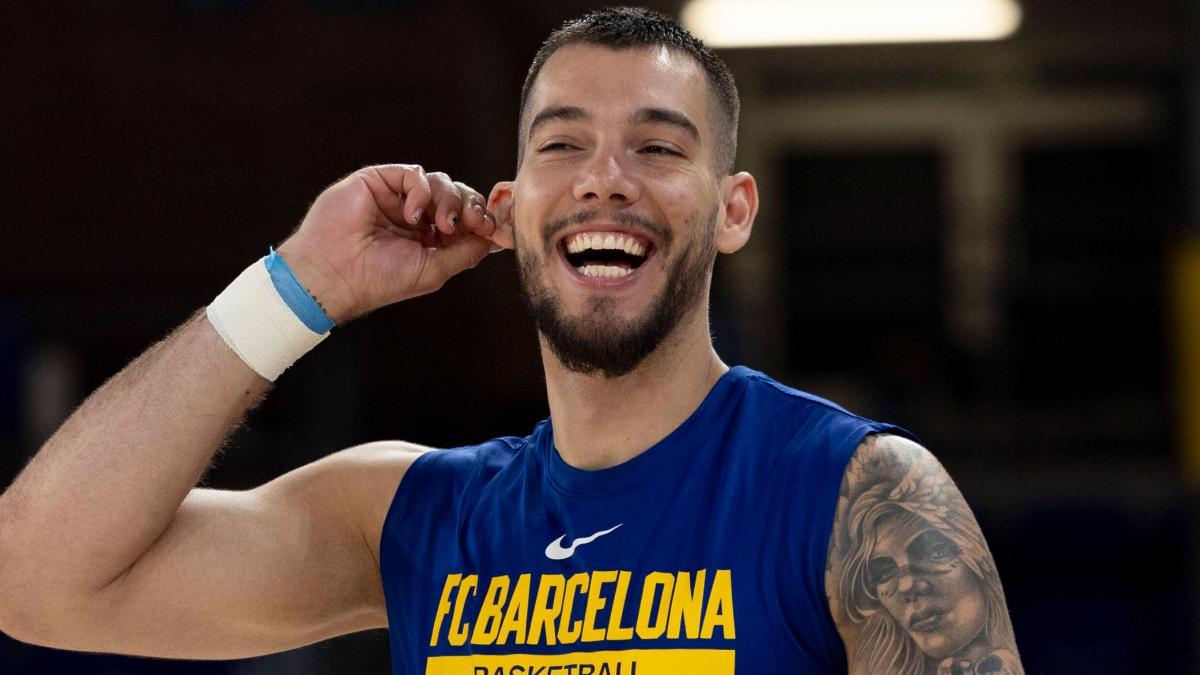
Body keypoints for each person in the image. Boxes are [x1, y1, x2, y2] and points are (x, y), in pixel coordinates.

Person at [0, 7, 1023, 675]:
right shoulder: (409, 517)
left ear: (732, 209)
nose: (603, 177)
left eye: (659, 147)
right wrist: (294, 289)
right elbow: (33, 577)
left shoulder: (860, 494)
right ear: (508, 209)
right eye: (562, 144)